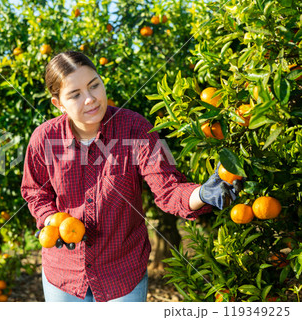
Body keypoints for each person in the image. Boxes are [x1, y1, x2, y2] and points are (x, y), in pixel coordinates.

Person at [20, 51, 242, 302]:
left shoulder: (134, 128)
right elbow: (36, 191)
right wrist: (50, 219)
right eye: (75, 94)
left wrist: (201, 194)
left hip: (122, 273)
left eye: (95, 85)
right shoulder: (44, 138)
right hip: (64, 275)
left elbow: (167, 188)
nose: (91, 99)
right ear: (58, 103)